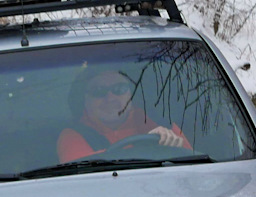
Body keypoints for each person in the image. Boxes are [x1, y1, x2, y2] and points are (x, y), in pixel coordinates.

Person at [56, 68, 191, 163]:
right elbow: (83, 181)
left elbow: (193, 166)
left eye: (119, 89)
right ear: (84, 100)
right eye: (98, 91)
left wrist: (172, 144)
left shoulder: (161, 123)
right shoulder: (72, 135)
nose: (110, 98)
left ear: (131, 95)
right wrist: (153, 150)